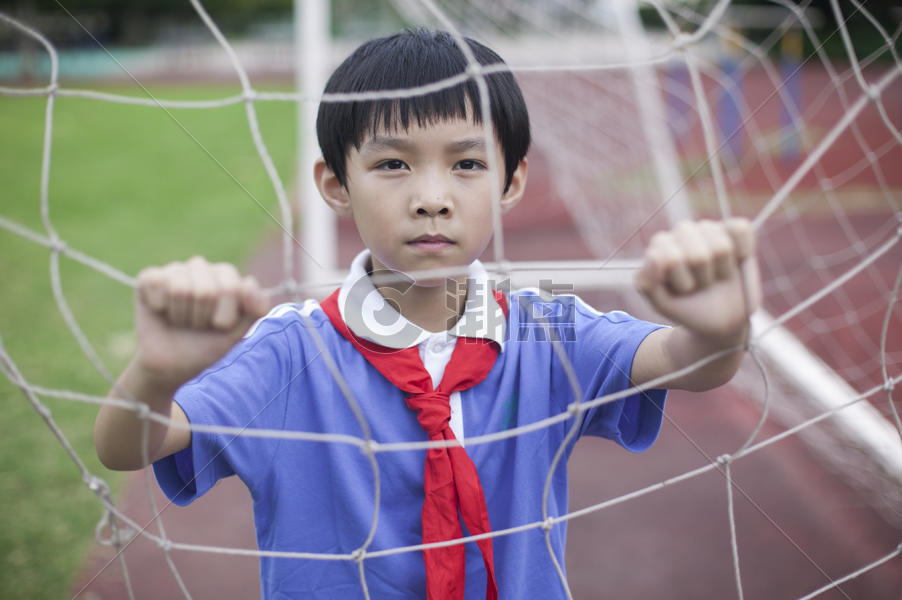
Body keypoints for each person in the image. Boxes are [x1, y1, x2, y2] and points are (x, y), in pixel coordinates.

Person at [94, 29, 760, 600]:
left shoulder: (546, 329)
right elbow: (128, 446)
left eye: (467, 163)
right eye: (392, 164)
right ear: (335, 184)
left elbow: (687, 363)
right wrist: (155, 375)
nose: (432, 197)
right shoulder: (291, 350)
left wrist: (717, 329)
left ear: (512, 180)